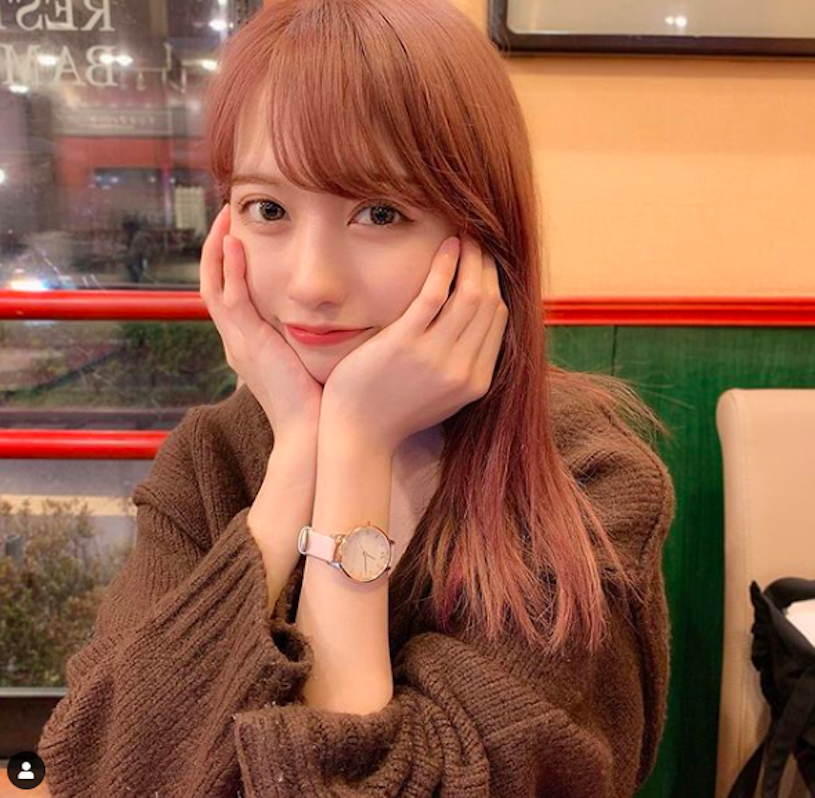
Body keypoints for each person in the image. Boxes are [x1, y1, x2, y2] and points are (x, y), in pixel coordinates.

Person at [37, 1, 677, 796]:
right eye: (268, 209)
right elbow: (103, 771)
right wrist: (297, 461)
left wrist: (355, 447)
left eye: (380, 213)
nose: (312, 282)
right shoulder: (210, 460)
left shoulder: (587, 479)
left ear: (483, 235)